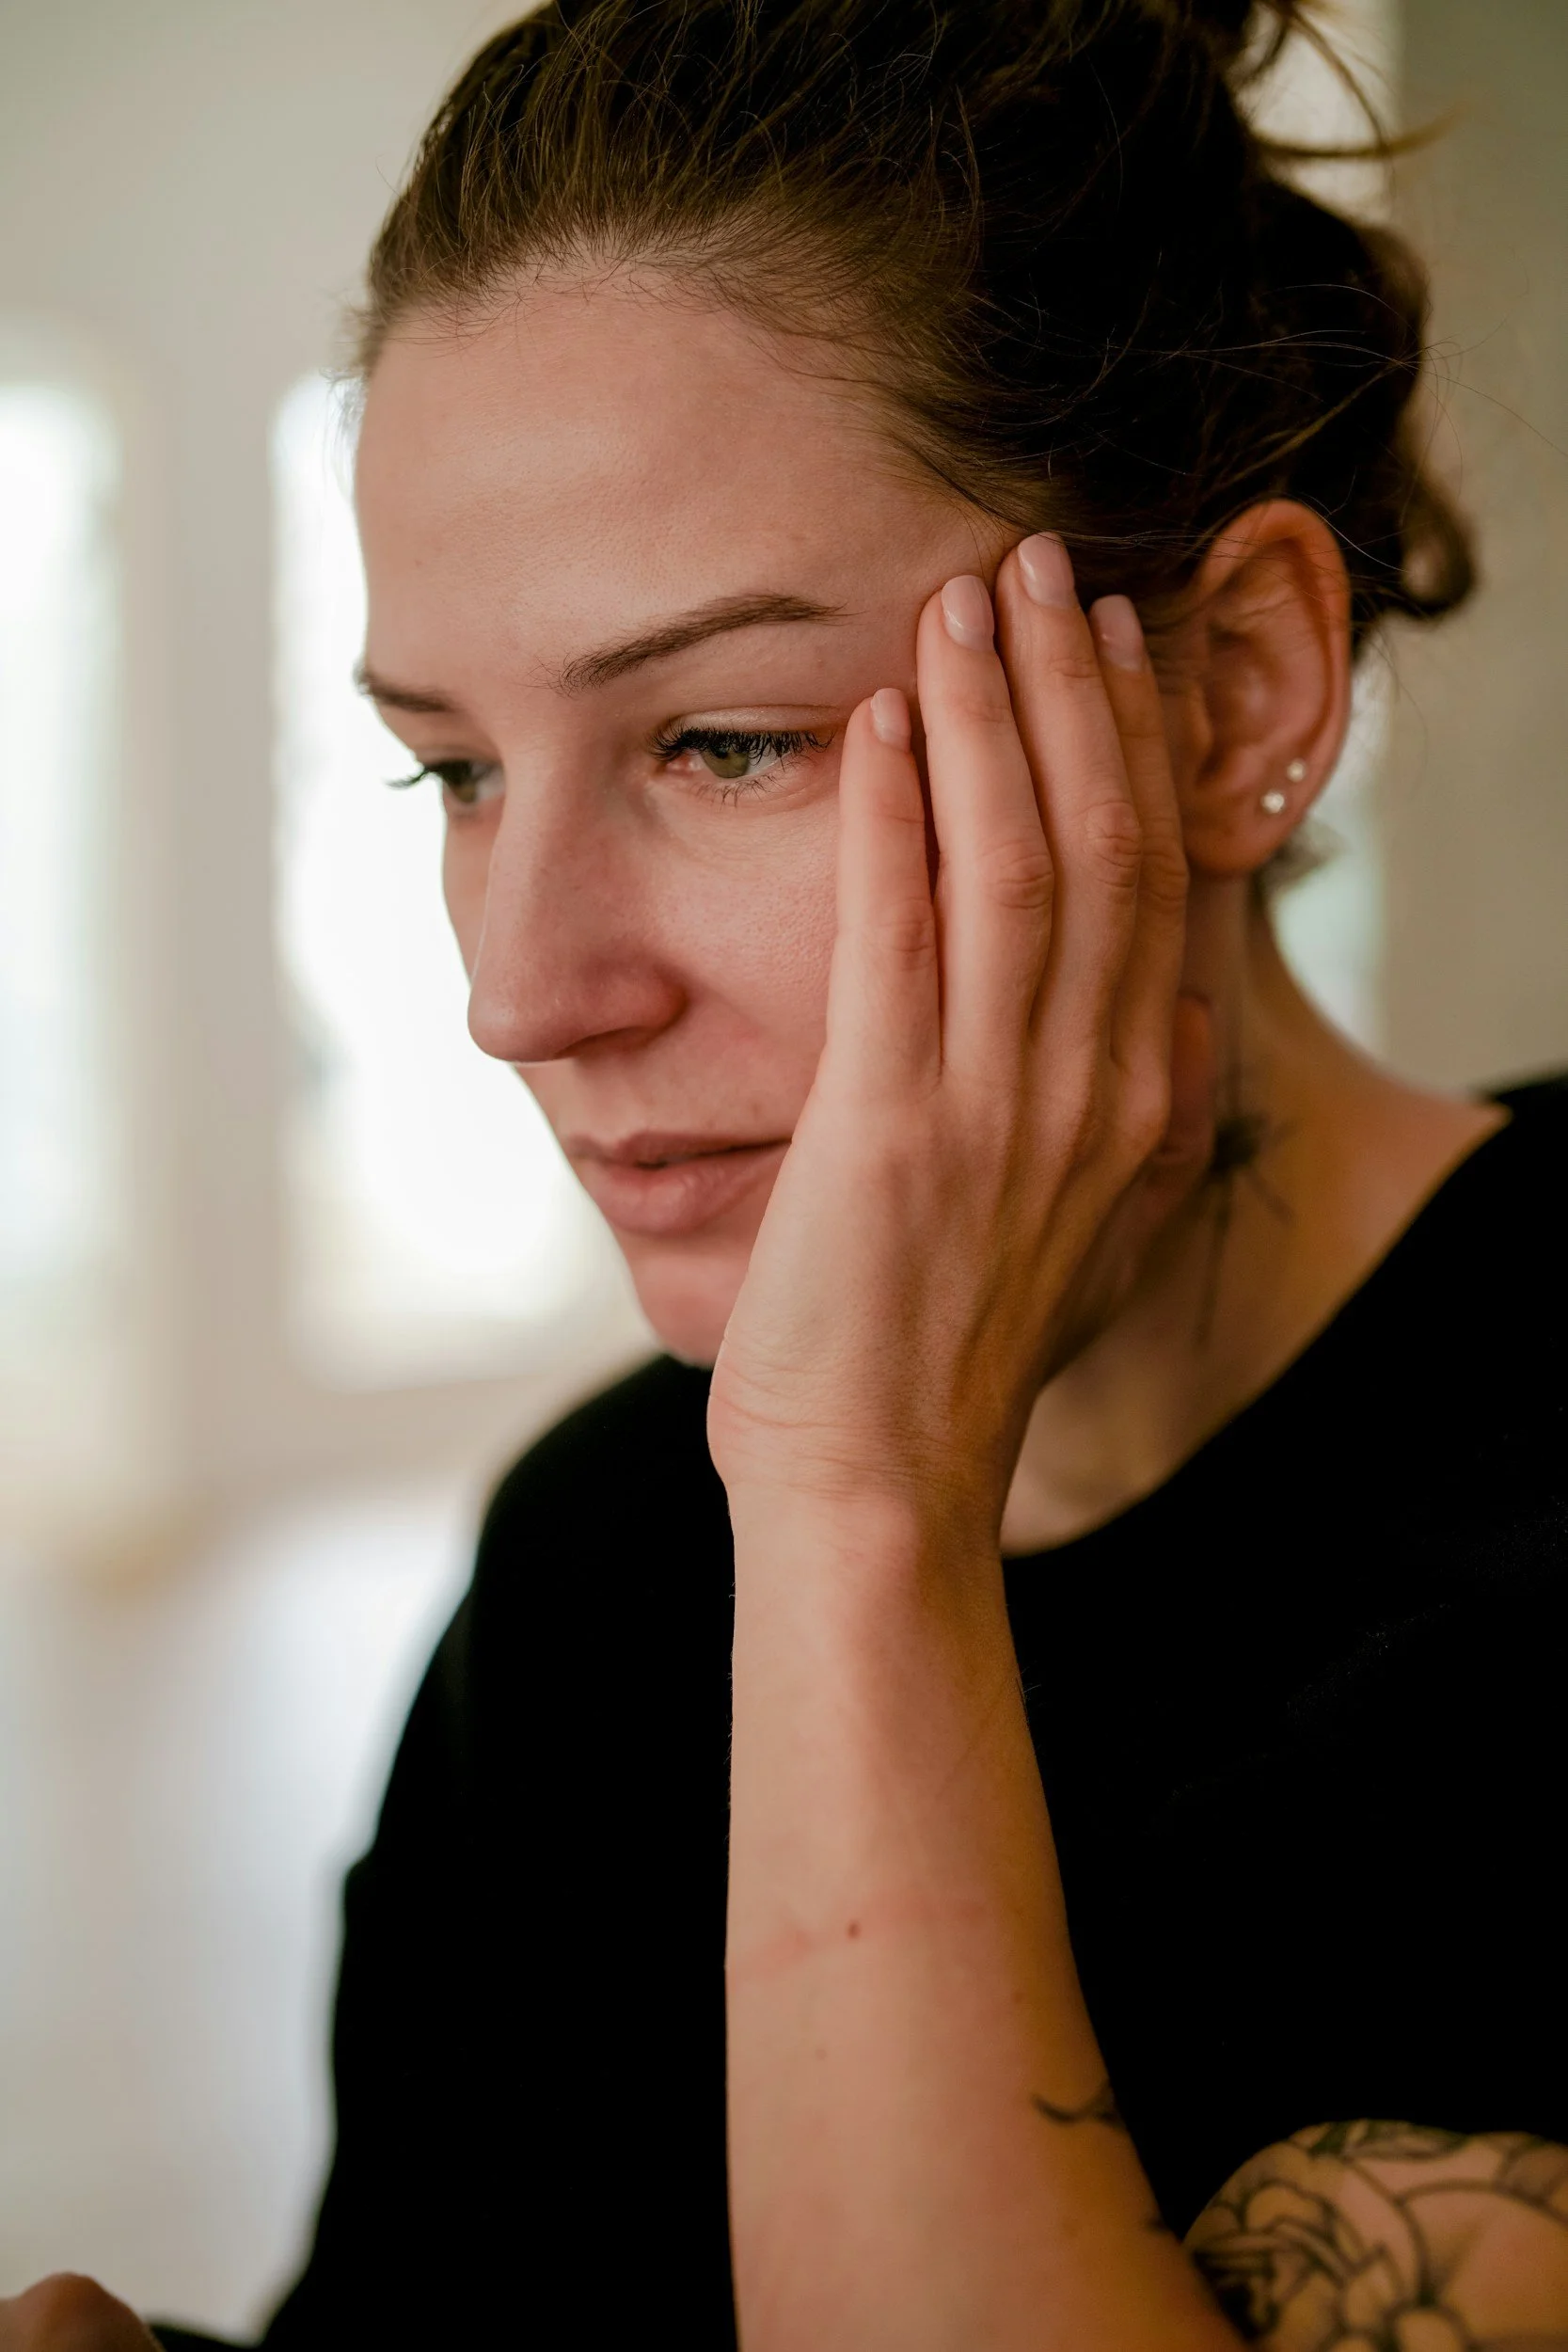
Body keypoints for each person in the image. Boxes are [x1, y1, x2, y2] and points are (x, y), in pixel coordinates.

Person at [6, 1, 1566, 2345]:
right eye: (452, 771)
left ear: (1234, 689)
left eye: (726, 739)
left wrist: (856, 1515)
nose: (522, 992)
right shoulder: (591, 1571)